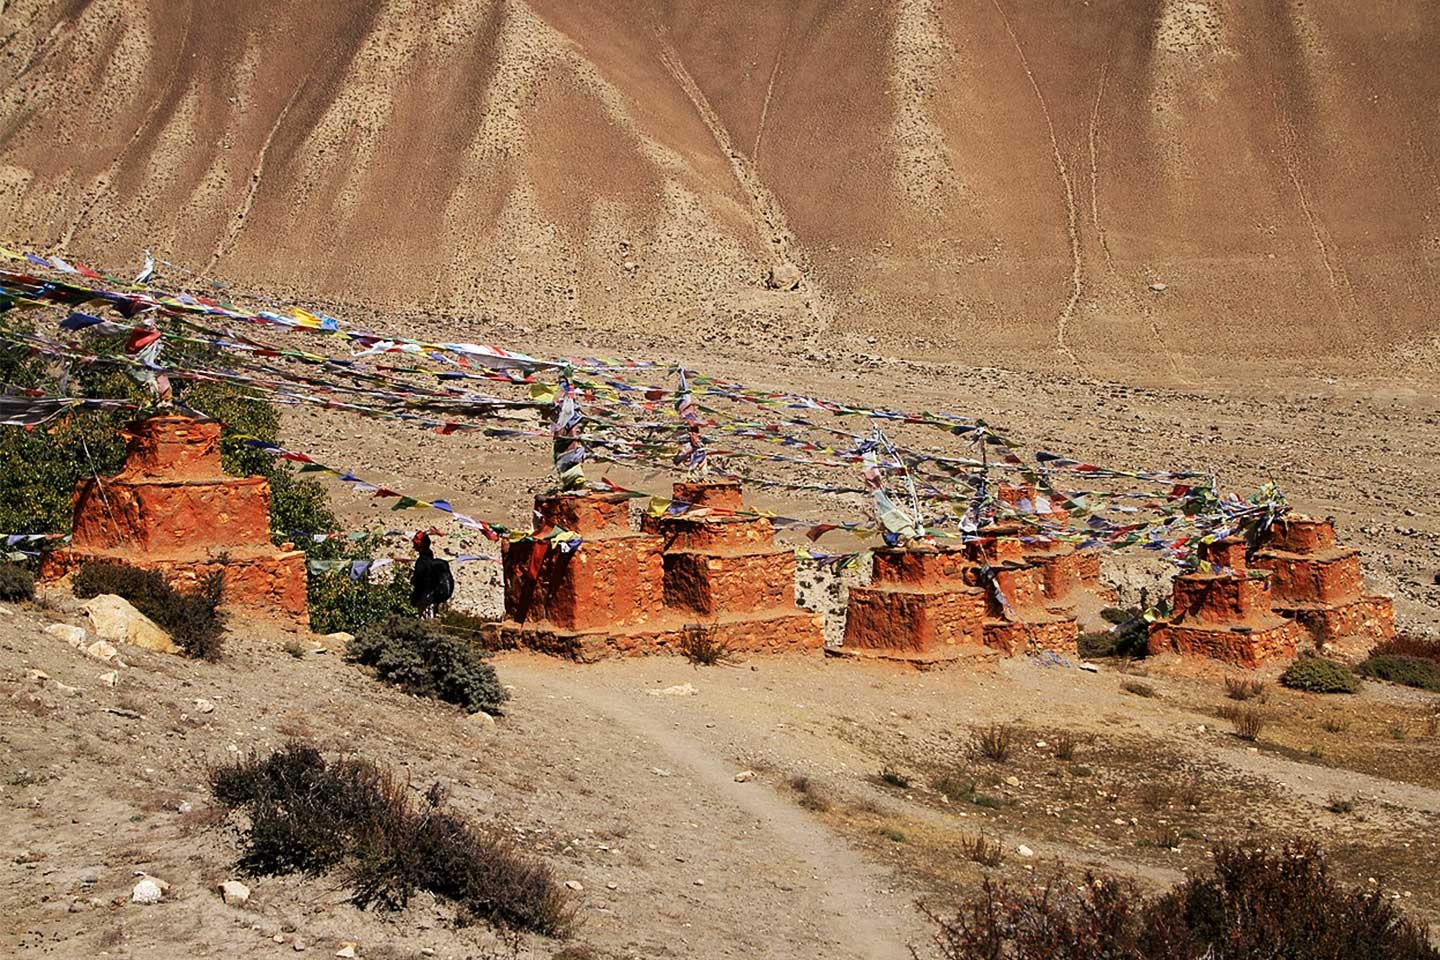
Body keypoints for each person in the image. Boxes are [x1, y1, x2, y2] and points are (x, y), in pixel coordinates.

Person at [410, 531, 454, 619]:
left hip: (426, 598)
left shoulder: (422, 562)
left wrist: (413, 580)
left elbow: (420, 581)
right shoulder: (430, 561)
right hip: (433, 598)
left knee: (426, 621)